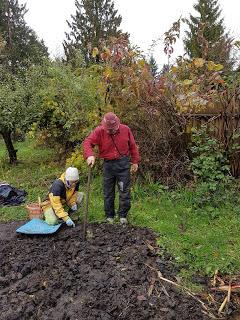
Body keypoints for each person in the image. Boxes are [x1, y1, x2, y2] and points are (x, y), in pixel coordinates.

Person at [83, 112, 140, 224]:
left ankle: (123, 216)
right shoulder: (99, 131)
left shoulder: (126, 129)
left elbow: (133, 146)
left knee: (124, 191)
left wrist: (135, 162)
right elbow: (87, 142)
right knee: (108, 192)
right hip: (108, 165)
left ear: (117, 124)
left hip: (123, 164)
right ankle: (110, 216)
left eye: (112, 129)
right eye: (108, 129)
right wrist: (89, 155)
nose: (110, 131)